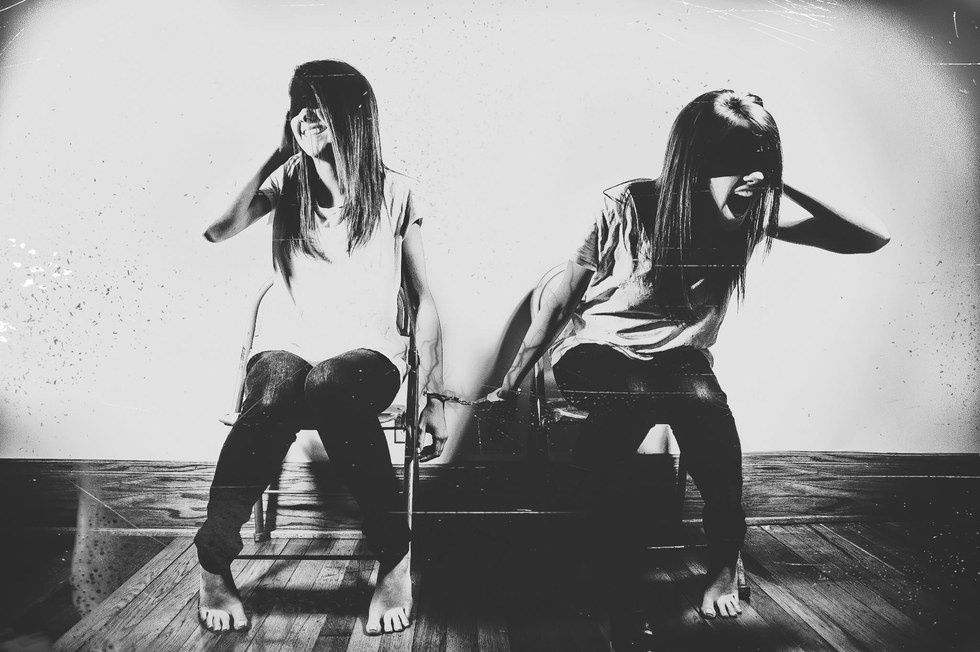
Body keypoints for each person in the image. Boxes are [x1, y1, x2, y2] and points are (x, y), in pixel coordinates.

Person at [483, 90, 890, 625]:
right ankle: (595, 542)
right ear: (695, 163)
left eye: (760, 162)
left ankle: (720, 555)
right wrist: (512, 380)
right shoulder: (626, 205)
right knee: (645, 394)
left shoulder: (750, 214)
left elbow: (872, 238)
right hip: (598, 350)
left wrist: (778, 177)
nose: (750, 179)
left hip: (677, 363)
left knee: (701, 401)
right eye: (735, 162)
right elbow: (561, 299)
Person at [195, 60, 447, 636]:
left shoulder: (395, 191)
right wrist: (276, 153)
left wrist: (432, 394)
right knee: (283, 387)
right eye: (298, 107)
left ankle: (394, 558)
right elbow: (217, 230)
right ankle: (213, 559)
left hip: (368, 356)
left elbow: (423, 299)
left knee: (328, 382)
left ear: (353, 117)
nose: (306, 116)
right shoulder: (286, 183)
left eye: (319, 105)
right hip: (287, 348)